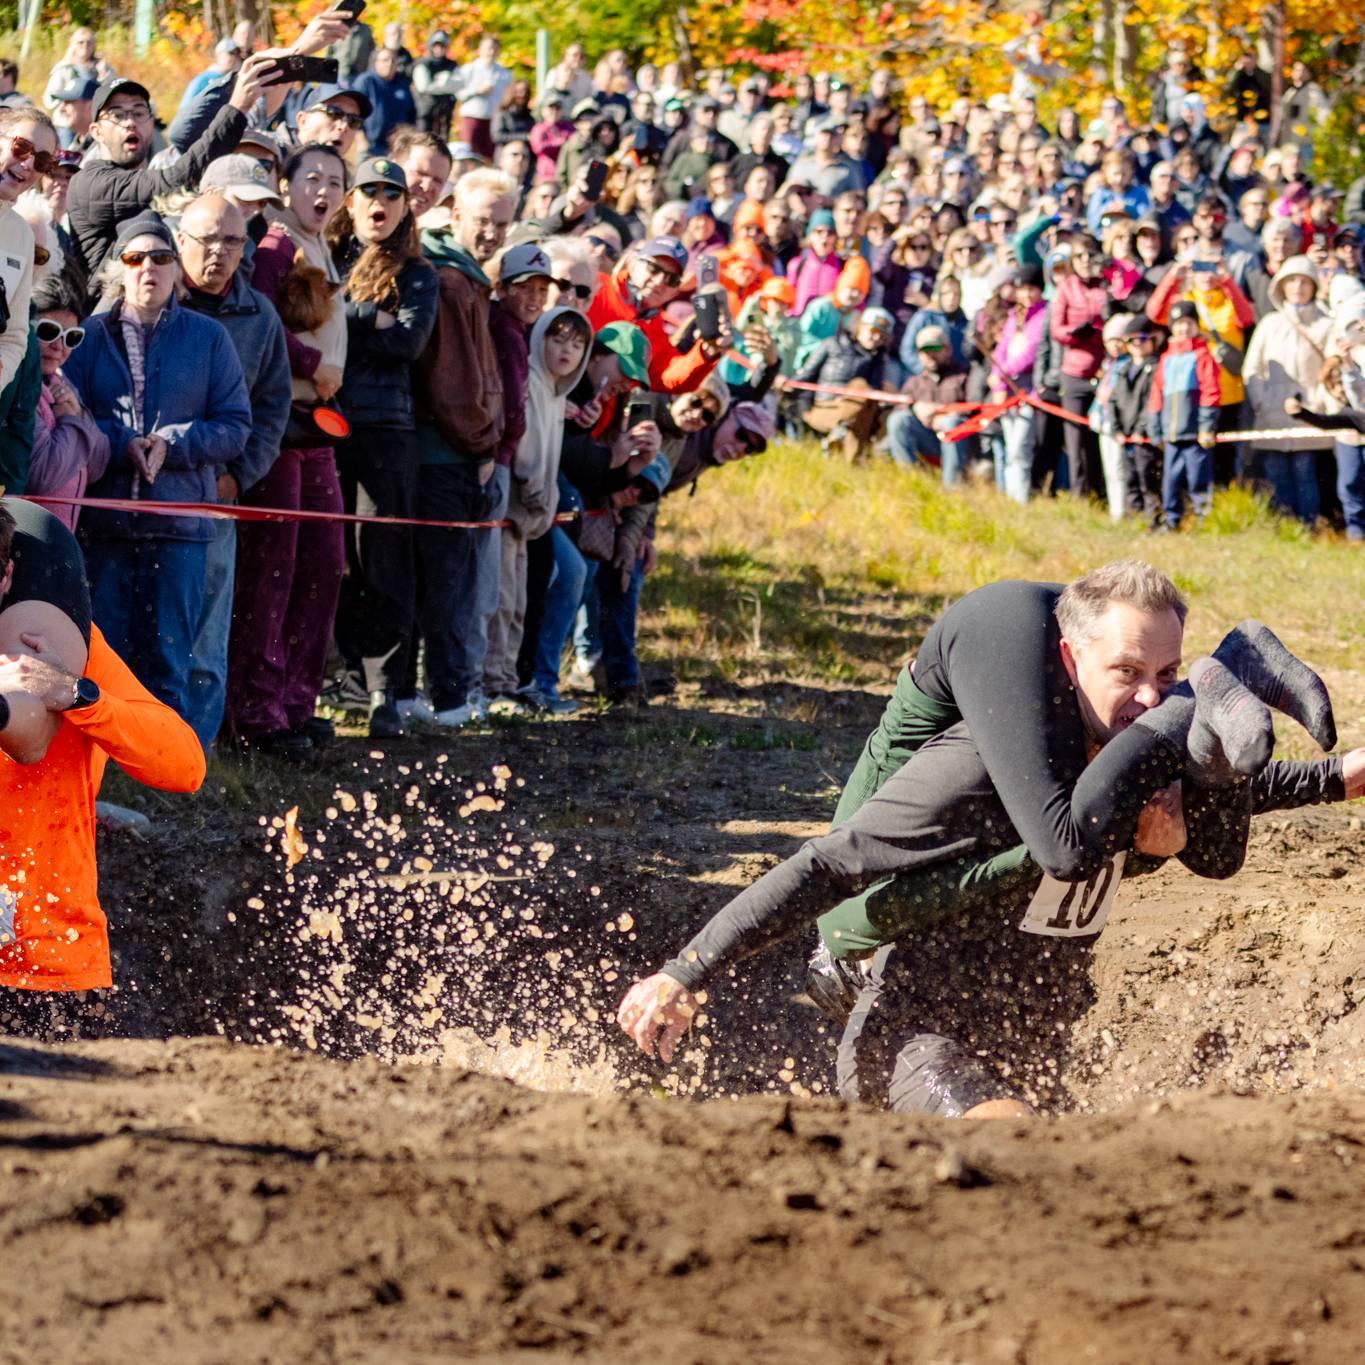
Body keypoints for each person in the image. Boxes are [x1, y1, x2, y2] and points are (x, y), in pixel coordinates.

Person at [618, 563, 1345, 1111]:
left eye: (1166, 676)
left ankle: (1231, 665)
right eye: (1127, 672)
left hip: (1038, 1024)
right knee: (1008, 1131)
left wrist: (1340, 775)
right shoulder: (982, 768)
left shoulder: (1114, 764)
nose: (1147, 695)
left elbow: (1248, 785)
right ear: (1068, 663)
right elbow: (831, 864)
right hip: (919, 1029)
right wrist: (684, 972)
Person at [0, 501, 206, 1008]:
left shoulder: (65, 645)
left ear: (7, 575)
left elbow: (185, 766)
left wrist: (77, 695)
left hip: (47, 966)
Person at [63, 213, 252, 724]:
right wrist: (122, 442)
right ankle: (108, 780)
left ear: (176, 269)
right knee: (105, 664)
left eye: (162, 257)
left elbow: (236, 424)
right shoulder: (89, 338)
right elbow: (71, 414)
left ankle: (170, 778)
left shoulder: (209, 338)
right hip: (105, 527)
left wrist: (176, 443)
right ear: (118, 270)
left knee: (170, 662)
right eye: (135, 257)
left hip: (180, 527)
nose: (149, 267)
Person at [224, 143, 349, 761]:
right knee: (274, 569)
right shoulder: (276, 245)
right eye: (311, 179)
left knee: (323, 567)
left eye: (334, 182)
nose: (321, 191)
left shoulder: (323, 246)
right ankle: (257, 711)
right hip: (283, 425)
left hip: (318, 432)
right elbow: (261, 322)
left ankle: (299, 702)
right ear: (287, 184)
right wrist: (312, 366)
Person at [175, 194, 291, 751]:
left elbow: (273, 407)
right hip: (144, 493)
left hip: (216, 494)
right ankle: (133, 755)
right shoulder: (150, 296)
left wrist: (240, 477)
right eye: (205, 239)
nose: (217, 252)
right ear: (180, 240)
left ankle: (195, 751)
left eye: (231, 241)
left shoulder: (259, 315)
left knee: (207, 629)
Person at [409, 167, 515, 727]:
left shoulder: (470, 275)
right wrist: (481, 447)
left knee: (456, 584)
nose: (493, 232)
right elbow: (453, 383)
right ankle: (448, 699)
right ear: (455, 215)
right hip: (446, 455)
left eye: (502, 223)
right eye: (482, 220)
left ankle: (447, 693)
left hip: (460, 450)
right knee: (447, 585)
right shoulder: (449, 279)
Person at [67, 59, 277, 276]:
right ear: (96, 131)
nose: (130, 122)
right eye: (118, 115)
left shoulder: (151, 172)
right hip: (111, 307)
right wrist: (237, 107)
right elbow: (179, 178)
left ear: (151, 123)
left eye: (139, 113)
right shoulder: (89, 183)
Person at [485, 305, 593, 709]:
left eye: (578, 343)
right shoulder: (530, 380)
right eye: (558, 338)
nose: (567, 350)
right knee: (501, 600)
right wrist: (534, 490)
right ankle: (492, 685)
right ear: (539, 337)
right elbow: (526, 450)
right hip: (513, 508)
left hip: (532, 517)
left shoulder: (555, 389)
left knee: (518, 605)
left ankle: (508, 681)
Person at [1243, 256, 1334, 524]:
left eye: (1305, 281)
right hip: (1271, 414)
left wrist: (1319, 405)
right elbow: (1253, 368)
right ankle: (1285, 528)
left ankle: (1307, 527)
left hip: (1309, 414)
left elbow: (1332, 370)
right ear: (1281, 285)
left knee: (1305, 472)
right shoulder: (1270, 323)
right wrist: (1261, 400)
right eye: (1291, 280)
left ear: (1314, 286)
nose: (1298, 286)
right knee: (1277, 472)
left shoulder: (1325, 324)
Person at [26, 275, 109, 529]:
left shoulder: (60, 384)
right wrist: (71, 419)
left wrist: (77, 417)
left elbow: (97, 463)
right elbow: (43, 475)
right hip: (25, 538)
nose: (59, 347)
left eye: (72, 337)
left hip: (59, 539)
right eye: (49, 332)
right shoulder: (18, 388)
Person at [1147, 299, 1220, 531]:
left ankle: (1202, 520)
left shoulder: (1202, 356)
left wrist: (1206, 426)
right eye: (1178, 324)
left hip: (1195, 435)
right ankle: (1171, 520)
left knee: (1199, 480)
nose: (1183, 329)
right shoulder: (1166, 359)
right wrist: (1154, 428)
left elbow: (1211, 392)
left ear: (1197, 326)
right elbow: (1156, 394)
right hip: (1172, 435)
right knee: (1170, 481)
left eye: (1188, 323)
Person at [792, 306, 893, 461]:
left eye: (883, 336)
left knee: (866, 408)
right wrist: (802, 407)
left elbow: (875, 391)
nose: (877, 339)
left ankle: (848, 463)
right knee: (860, 386)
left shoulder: (878, 359)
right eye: (873, 332)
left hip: (855, 414)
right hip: (825, 408)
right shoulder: (832, 344)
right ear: (860, 326)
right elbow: (805, 376)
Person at [0, 107, 53, 394]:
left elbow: (14, 336)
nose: (29, 163)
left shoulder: (21, 236)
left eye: (43, 161)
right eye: (21, 147)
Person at [886, 323, 970, 478]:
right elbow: (900, 407)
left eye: (937, 348)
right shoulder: (914, 382)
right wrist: (915, 408)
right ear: (918, 354)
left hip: (961, 442)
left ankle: (952, 489)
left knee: (951, 424)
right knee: (897, 420)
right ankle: (911, 480)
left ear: (949, 349)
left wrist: (943, 413)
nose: (931, 354)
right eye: (925, 350)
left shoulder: (964, 375)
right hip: (927, 439)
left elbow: (977, 408)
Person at [458, 33, 513, 163]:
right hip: (472, 119)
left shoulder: (504, 74)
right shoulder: (469, 69)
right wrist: (477, 91)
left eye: (495, 48)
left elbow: (507, 97)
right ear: (480, 50)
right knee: (469, 155)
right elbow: (459, 94)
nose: (491, 52)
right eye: (488, 48)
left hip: (493, 120)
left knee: (489, 157)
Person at [354, 47, 416, 156]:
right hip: (370, 146)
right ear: (376, 63)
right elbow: (354, 111)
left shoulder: (402, 84)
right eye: (385, 60)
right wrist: (360, 138)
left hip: (395, 147)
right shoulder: (366, 82)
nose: (389, 64)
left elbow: (411, 114)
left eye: (393, 61)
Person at [411, 29, 459, 140]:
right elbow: (423, 87)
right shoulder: (423, 64)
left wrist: (444, 84)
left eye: (443, 46)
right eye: (436, 46)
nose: (439, 49)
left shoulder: (452, 65)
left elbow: (459, 84)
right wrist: (444, 85)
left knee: (443, 143)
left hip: (445, 113)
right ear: (431, 46)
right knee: (423, 140)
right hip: (425, 113)